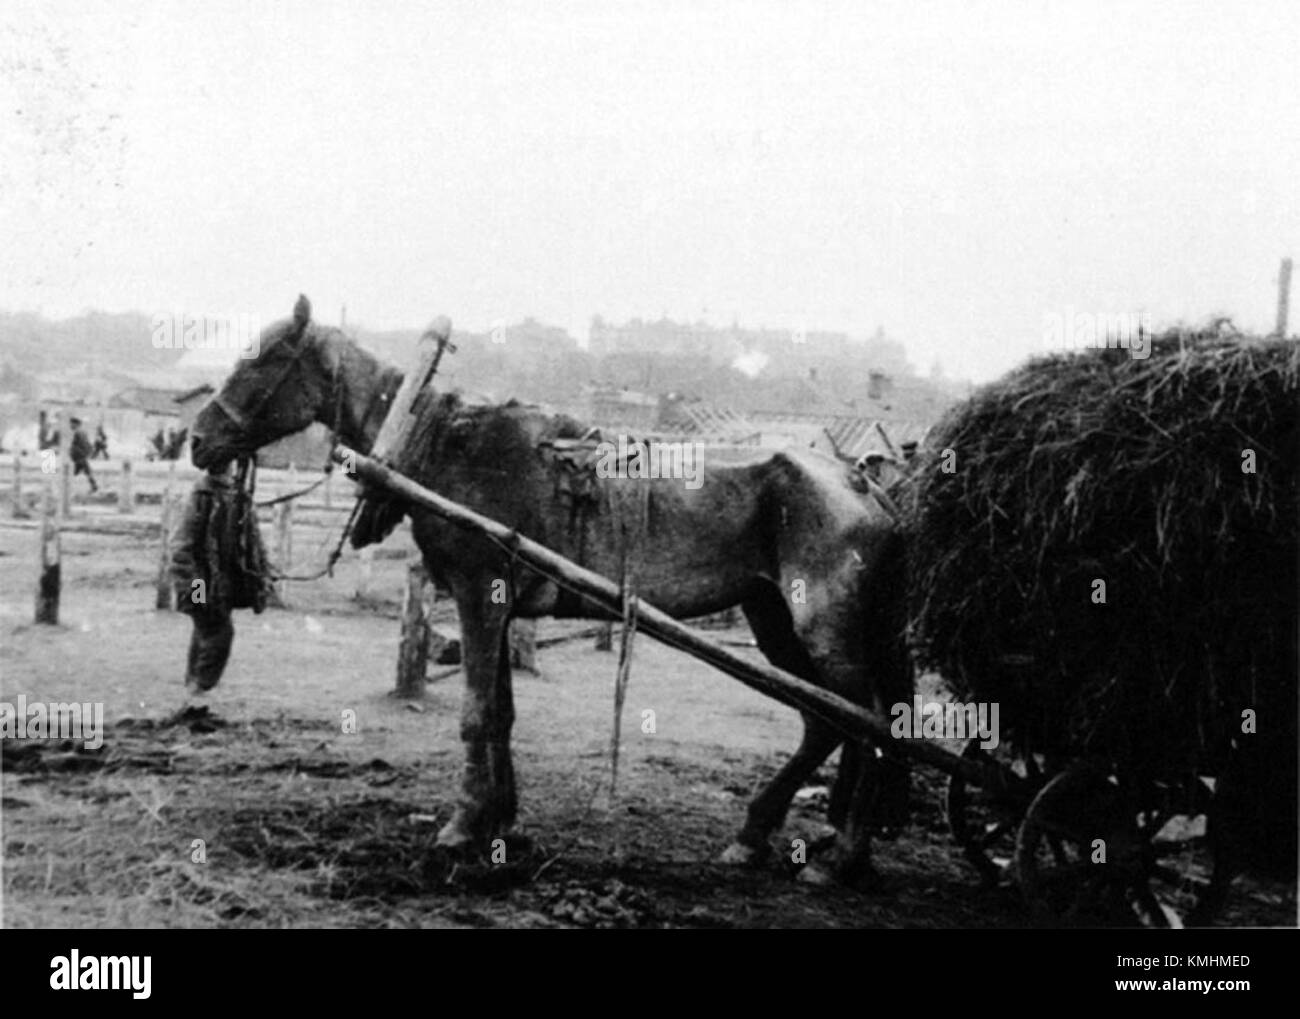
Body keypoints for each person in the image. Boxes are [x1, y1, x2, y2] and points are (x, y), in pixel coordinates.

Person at [171, 462, 272, 693]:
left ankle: (192, 687)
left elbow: (252, 540)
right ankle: (198, 689)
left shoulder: (236, 495)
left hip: (222, 583)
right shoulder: (201, 496)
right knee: (218, 632)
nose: (230, 467)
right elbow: (180, 547)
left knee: (206, 630)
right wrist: (195, 590)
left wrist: (261, 572)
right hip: (199, 582)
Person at [68, 417, 98, 492]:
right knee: (84, 472)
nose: (70, 426)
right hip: (81, 456)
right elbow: (88, 444)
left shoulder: (77, 433)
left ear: (75, 424)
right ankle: (94, 486)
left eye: (71, 424)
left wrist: (73, 453)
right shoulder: (83, 432)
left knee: (77, 472)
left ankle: (65, 488)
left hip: (79, 457)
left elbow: (77, 445)